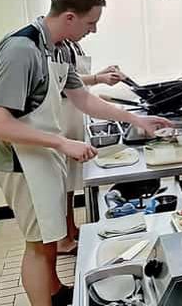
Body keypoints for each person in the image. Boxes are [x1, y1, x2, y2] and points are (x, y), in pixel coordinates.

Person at [0, 0, 172, 306]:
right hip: (20, 161)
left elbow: (83, 98)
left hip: (42, 154)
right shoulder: (21, 50)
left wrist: (137, 120)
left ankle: (55, 291)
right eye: (91, 23)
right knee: (37, 246)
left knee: (49, 236)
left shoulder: (59, 48)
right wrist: (61, 143)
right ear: (69, 17)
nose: (94, 30)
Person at [55, 39, 127, 255]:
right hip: (62, 117)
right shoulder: (55, 45)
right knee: (61, 184)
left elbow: (75, 79)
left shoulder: (71, 44)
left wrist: (99, 75)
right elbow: (62, 82)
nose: (91, 30)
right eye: (89, 24)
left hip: (72, 114)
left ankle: (70, 230)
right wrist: (98, 78)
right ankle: (62, 240)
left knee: (68, 184)